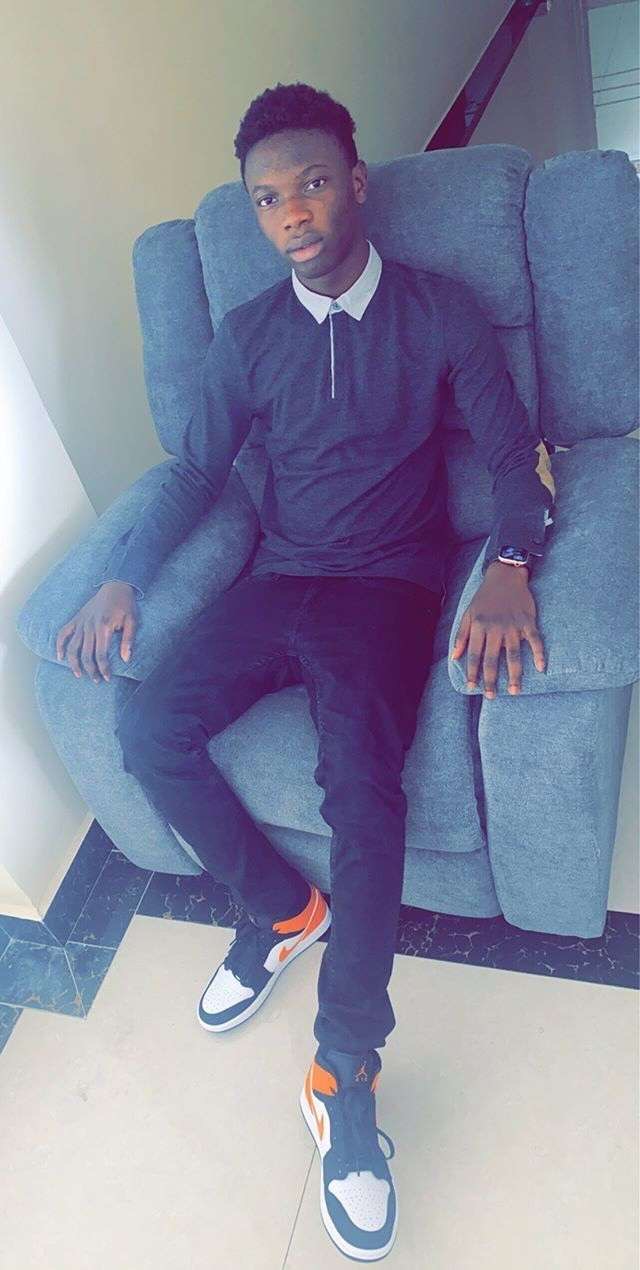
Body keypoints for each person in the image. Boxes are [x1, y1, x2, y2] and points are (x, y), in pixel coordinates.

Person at [55, 81, 555, 1262]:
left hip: (385, 591)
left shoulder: (439, 311)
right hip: (278, 577)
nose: (293, 212)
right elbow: (195, 471)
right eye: (268, 197)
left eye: (313, 183)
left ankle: (343, 1072)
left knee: (363, 795)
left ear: (355, 184)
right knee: (147, 727)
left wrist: (510, 564)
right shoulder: (248, 336)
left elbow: (515, 457)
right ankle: (284, 908)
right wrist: (124, 574)